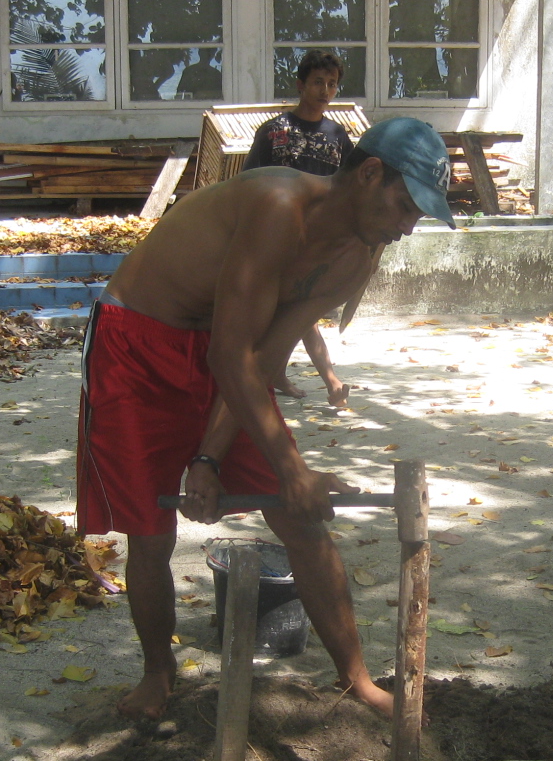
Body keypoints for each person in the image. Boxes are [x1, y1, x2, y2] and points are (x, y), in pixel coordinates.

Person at [77, 117, 456, 723]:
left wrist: (212, 458)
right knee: (151, 530)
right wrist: (290, 466)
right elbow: (232, 356)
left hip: (225, 351)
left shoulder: (356, 260)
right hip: (138, 339)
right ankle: (158, 672)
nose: (408, 227)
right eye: (406, 206)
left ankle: (356, 678)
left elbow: (260, 360)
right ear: (368, 174)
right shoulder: (279, 205)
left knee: (299, 517)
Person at [243, 50, 355, 408]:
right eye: (318, 82)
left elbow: (352, 189)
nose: (325, 90)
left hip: (318, 240)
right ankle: (324, 380)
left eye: (332, 84)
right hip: (275, 235)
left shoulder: (338, 137)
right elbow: (250, 182)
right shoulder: (275, 132)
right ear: (301, 85)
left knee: (300, 306)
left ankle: (289, 375)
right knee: (293, 307)